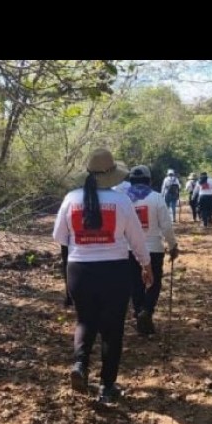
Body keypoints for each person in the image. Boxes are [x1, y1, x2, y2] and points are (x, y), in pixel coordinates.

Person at [53, 148, 152, 403]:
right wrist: (146, 265)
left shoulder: (71, 198)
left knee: (84, 321)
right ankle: (107, 387)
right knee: (112, 329)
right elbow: (137, 239)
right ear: (112, 175)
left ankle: (80, 365)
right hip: (114, 271)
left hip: (79, 271)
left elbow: (59, 237)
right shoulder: (122, 201)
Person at [120, 165, 179, 335]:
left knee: (135, 283)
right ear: (149, 180)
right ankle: (147, 310)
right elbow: (166, 226)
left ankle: (139, 311)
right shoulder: (156, 198)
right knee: (154, 281)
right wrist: (172, 245)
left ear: (131, 181)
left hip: (130, 249)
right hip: (154, 248)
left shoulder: (123, 200)